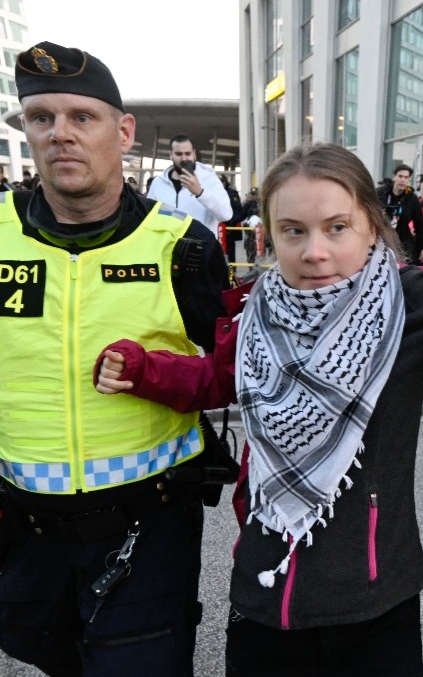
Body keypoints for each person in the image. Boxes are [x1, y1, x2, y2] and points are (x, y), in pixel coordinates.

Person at [92, 141, 423, 676]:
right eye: (294, 230)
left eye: (337, 227)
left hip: (377, 600)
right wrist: (142, 369)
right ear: (269, 235)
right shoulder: (256, 314)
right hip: (267, 593)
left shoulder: (416, 301)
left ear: (372, 226)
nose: (315, 251)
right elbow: (216, 379)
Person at [0, 40, 231, 677]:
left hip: (147, 528)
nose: (60, 135)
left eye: (82, 117)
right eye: (41, 118)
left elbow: (232, 375)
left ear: (123, 132)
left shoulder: (185, 246)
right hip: (24, 534)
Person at [147, 133, 233, 240]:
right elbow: (149, 216)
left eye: (187, 153)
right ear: (171, 155)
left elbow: (226, 215)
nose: (184, 158)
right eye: (178, 154)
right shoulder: (158, 182)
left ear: (194, 154)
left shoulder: (210, 179)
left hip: (200, 249)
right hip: (166, 250)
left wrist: (200, 192)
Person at [377, 163, 423, 264]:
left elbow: (420, 225)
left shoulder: (411, 198)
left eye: (406, 177)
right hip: (381, 238)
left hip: (402, 240)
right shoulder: (381, 193)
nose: (403, 180)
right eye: (400, 176)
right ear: (394, 177)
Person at [219, 173, 243, 263]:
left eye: (222, 182)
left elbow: (238, 211)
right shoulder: (211, 192)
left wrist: (232, 221)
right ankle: (218, 276)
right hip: (215, 228)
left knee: (230, 255)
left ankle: (231, 275)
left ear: (226, 182)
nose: (221, 184)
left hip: (229, 228)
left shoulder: (232, 193)